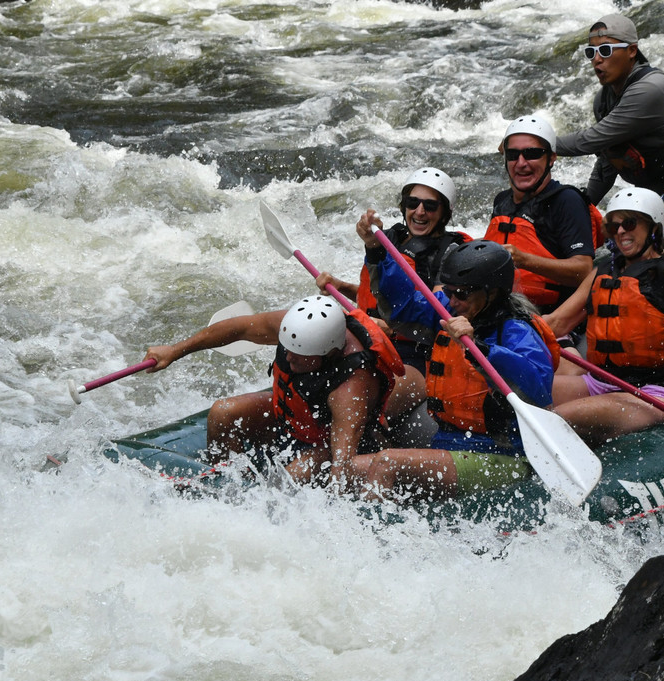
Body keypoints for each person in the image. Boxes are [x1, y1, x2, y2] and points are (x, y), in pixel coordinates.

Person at [142, 296, 417, 490]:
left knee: (291, 478)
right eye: (288, 349)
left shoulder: (351, 387)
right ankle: (225, 483)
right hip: (289, 419)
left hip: (326, 445)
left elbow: (342, 466)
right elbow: (238, 328)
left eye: (301, 356)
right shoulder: (295, 329)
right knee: (223, 412)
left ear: (330, 353)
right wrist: (175, 351)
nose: (289, 358)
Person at [354, 240, 557, 501]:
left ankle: (372, 538)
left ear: (492, 293)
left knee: (387, 462)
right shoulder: (448, 310)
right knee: (349, 469)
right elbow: (403, 308)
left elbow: (538, 390)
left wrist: (482, 350)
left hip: (499, 456)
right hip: (448, 444)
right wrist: (376, 253)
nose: (452, 300)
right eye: (449, 291)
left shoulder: (516, 331)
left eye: (461, 294)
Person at [545, 187, 664, 446]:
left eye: (629, 223)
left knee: (555, 418)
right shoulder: (603, 271)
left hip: (652, 393)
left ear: (653, 228)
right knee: (520, 395)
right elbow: (557, 323)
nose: (621, 232)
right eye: (614, 227)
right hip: (598, 382)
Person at [314, 167, 470, 374]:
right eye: (412, 203)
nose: (420, 211)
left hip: (413, 352)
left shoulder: (450, 253)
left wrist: (389, 326)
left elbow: (433, 313)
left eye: (430, 206)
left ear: (444, 213)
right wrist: (341, 286)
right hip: (368, 335)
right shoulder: (389, 240)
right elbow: (378, 298)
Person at [553, 13, 664, 205]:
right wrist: (587, 206)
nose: (596, 59)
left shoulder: (649, 90)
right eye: (591, 52)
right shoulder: (603, 100)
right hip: (653, 199)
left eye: (605, 50)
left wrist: (533, 143)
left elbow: (589, 141)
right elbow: (608, 158)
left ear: (631, 51)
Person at [483, 115, 601, 316]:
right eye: (513, 155)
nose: (521, 163)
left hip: (547, 317)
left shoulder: (567, 200)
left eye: (532, 154)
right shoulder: (502, 201)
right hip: (499, 313)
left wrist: (524, 260)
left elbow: (583, 269)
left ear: (551, 158)